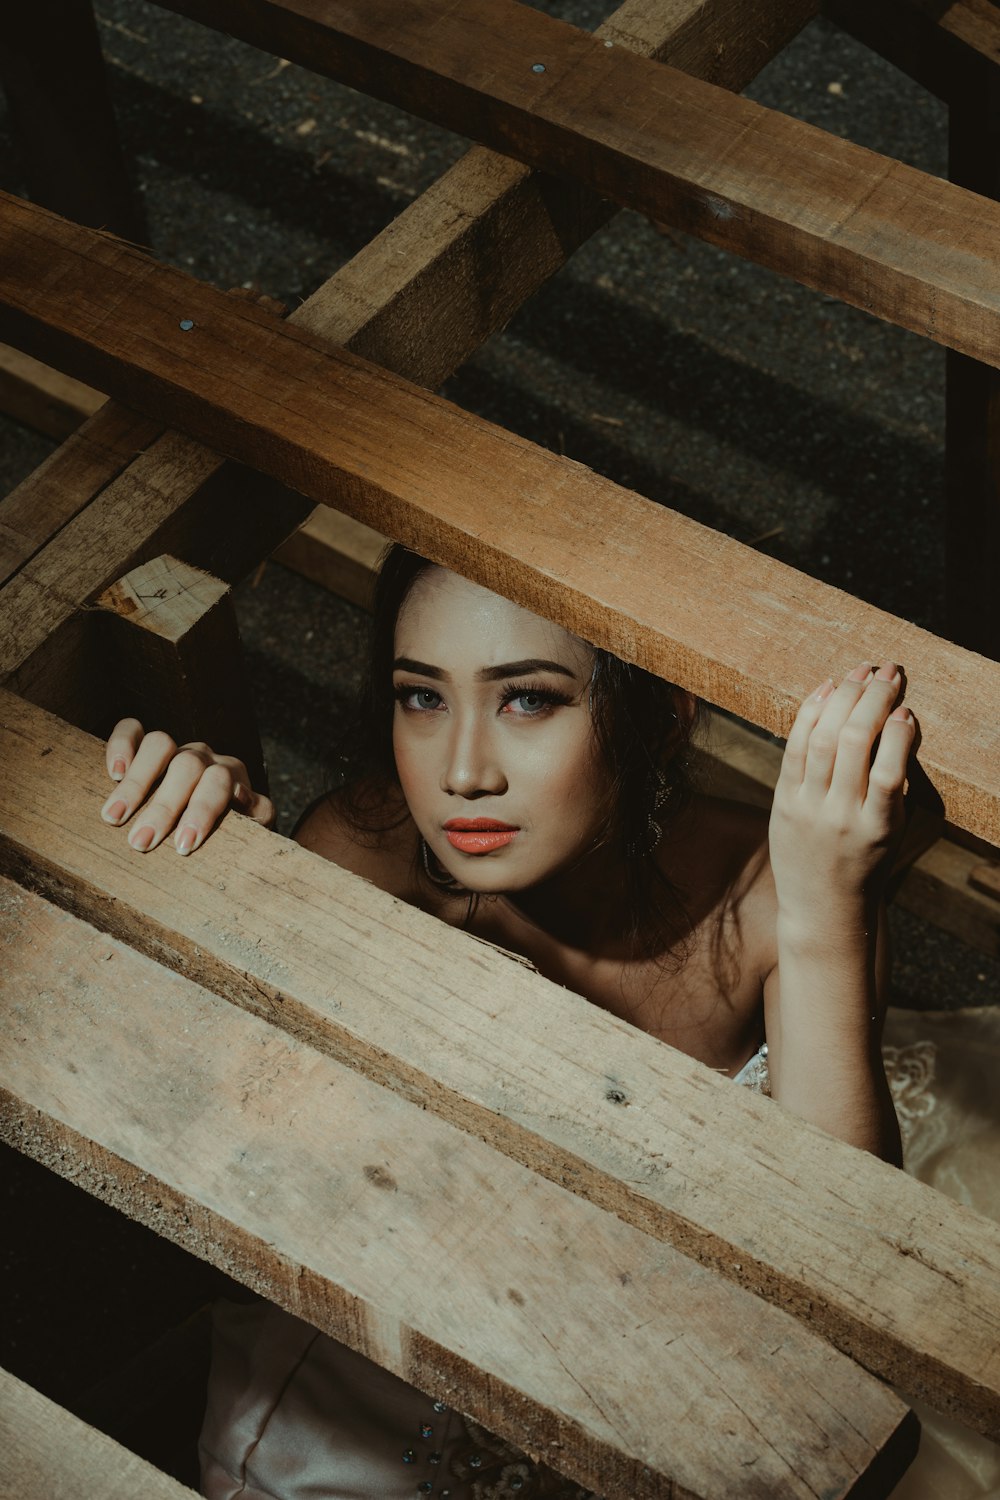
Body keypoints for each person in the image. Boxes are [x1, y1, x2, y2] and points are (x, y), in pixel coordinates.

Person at [99, 545, 921, 1499]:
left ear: (663, 717)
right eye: (422, 697)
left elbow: (846, 1299)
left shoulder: (778, 893)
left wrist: (827, 920)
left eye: (528, 698)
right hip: (372, 1397)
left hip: (687, 1411)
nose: (463, 772)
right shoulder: (365, 854)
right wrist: (216, 896)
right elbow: (237, 1144)